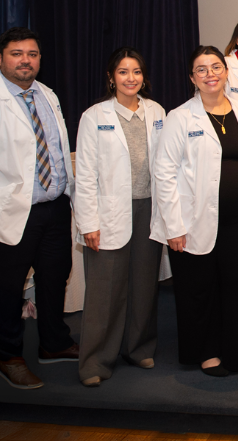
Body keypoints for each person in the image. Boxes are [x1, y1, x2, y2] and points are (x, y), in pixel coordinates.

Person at [0, 27, 78, 390]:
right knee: (7, 291)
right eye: (17, 53)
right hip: (6, 215)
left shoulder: (47, 95)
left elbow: (55, 150)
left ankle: (54, 344)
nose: (26, 60)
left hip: (54, 209)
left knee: (55, 279)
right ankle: (9, 358)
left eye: (33, 54)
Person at [152, 46, 238, 376]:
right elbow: (164, 172)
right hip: (193, 220)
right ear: (192, 78)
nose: (211, 74)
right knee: (200, 291)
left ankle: (237, 350)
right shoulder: (180, 117)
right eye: (202, 69)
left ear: (227, 71)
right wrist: (173, 226)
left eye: (217, 67)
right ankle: (207, 351)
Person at [74, 48, 167, 387]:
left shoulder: (156, 111)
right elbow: (84, 175)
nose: (131, 78)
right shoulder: (93, 116)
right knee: (105, 292)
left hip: (148, 211)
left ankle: (138, 346)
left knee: (144, 286)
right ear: (111, 77)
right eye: (124, 72)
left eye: (137, 72)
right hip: (110, 212)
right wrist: (89, 223)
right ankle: (95, 362)